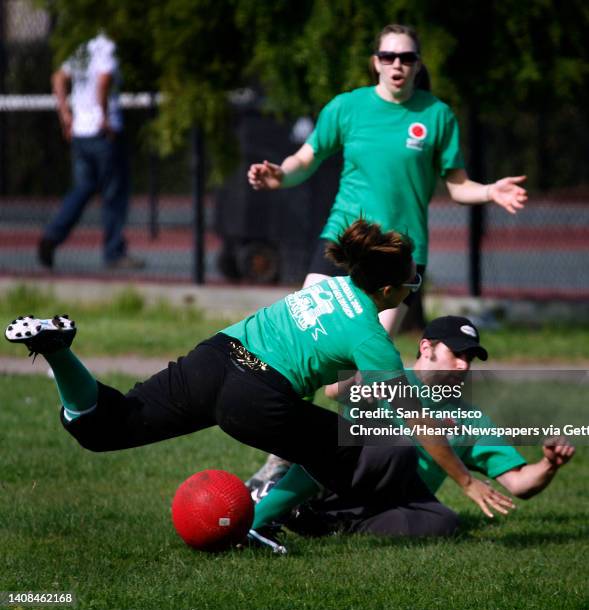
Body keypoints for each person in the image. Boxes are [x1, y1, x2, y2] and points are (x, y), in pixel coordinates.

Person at [6, 220, 512, 554]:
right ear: (387, 291)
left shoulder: (334, 284)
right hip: (258, 396)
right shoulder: (370, 333)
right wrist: (466, 481)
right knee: (360, 448)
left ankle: (57, 349)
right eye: (411, 282)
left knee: (104, 427)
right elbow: (418, 419)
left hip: (215, 356)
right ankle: (262, 519)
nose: (412, 287)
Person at [247, 22, 528, 486]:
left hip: (398, 262)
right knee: (302, 346)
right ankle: (281, 464)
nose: (397, 65)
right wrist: (278, 173)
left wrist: (490, 190)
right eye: (388, 56)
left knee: (349, 385)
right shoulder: (346, 107)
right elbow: (305, 160)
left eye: (407, 58)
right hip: (342, 244)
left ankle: (351, 465)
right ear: (375, 61)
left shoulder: (436, 115)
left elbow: (457, 186)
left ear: (418, 65)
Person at [250, 316, 575, 542]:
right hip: (342, 476)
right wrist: (358, 385)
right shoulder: (389, 374)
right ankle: (274, 505)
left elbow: (519, 484)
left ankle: (322, 521)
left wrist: (549, 464)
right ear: (426, 348)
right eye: (457, 354)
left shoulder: (470, 418)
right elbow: (334, 392)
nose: (463, 365)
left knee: (443, 522)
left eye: (470, 359)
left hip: (392, 501)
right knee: (396, 446)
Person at [38, 33, 144, 270]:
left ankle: (52, 236)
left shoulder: (84, 49)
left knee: (83, 188)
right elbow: (104, 79)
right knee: (114, 194)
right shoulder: (108, 49)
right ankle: (114, 252)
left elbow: (58, 78)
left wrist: (65, 114)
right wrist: (104, 115)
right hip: (102, 134)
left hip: (80, 134)